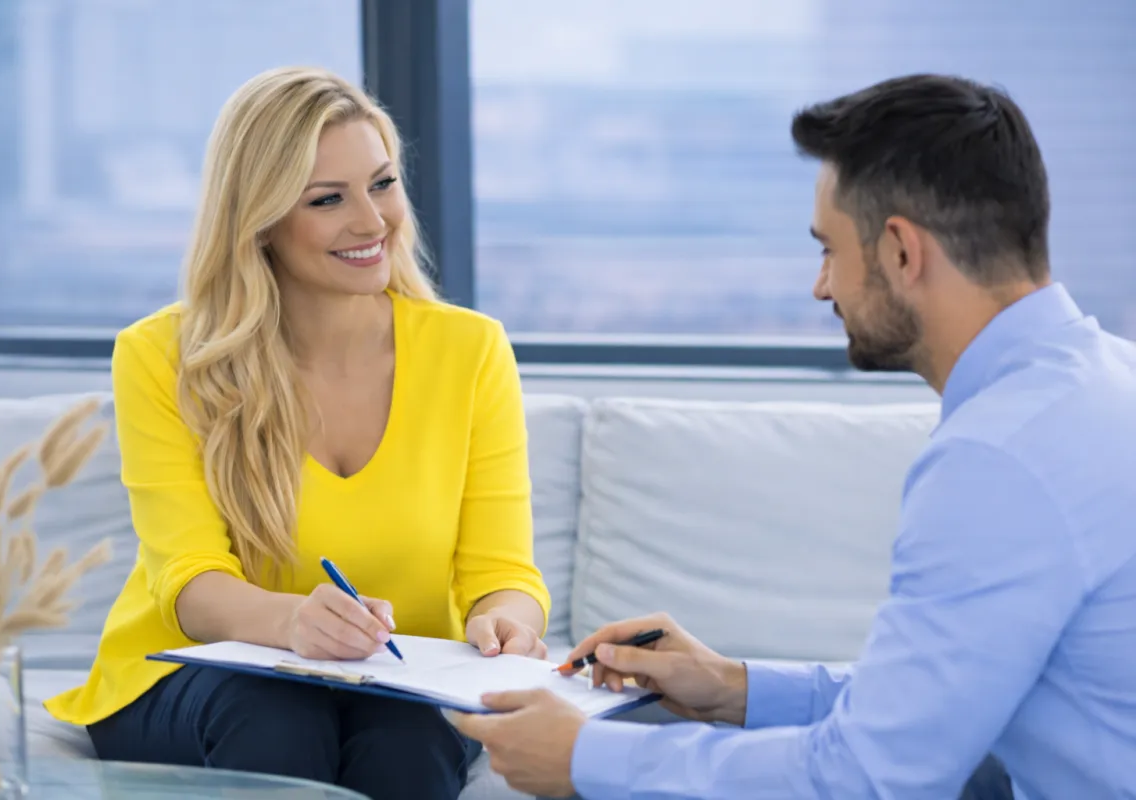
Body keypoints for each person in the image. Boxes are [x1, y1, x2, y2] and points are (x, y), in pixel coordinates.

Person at [451, 74, 1136, 798]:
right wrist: (732, 687)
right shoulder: (1102, 382)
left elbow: (867, 778)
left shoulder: (996, 460)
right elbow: (936, 704)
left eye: (829, 250)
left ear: (902, 252)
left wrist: (585, 759)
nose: (821, 288)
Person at [43, 66, 552, 800]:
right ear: (260, 220)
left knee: (411, 740)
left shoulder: (469, 351)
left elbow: (503, 573)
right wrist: (292, 623)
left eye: (382, 184)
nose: (373, 223)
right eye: (327, 200)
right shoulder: (161, 357)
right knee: (277, 712)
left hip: (393, 677)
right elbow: (188, 580)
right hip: (197, 671)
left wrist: (506, 624)